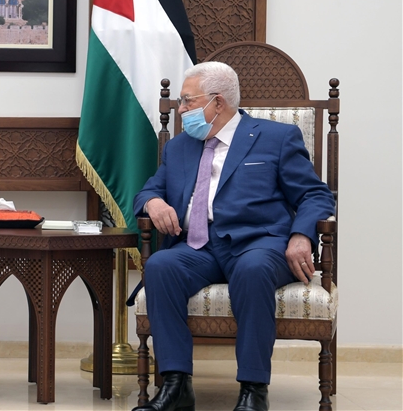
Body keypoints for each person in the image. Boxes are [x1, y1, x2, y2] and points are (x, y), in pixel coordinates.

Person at [132, 61, 335, 411]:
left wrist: (301, 235)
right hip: (199, 247)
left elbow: (315, 195)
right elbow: (147, 191)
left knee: (252, 270)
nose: (180, 110)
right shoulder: (179, 147)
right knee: (161, 266)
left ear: (218, 102)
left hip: (259, 244)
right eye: (180, 102)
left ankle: (253, 390)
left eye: (187, 101)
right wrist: (154, 202)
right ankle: (176, 386)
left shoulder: (276, 138)